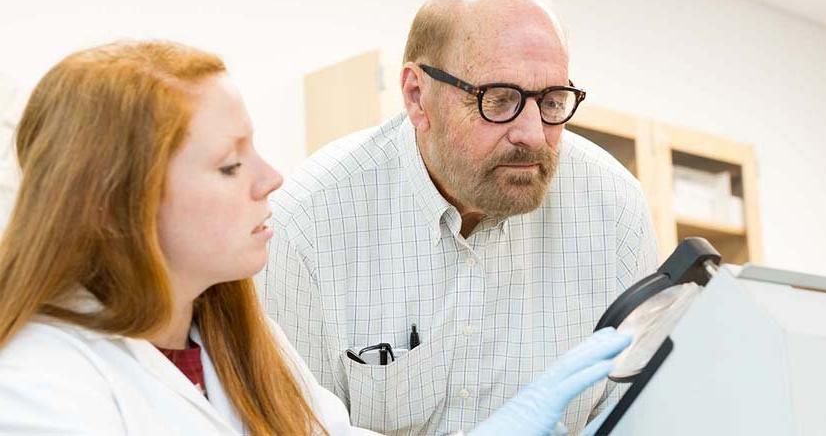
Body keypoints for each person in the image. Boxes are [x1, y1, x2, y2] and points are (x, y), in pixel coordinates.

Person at [0, 40, 630, 435]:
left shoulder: (234, 338)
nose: (270, 179)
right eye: (229, 164)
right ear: (117, 200)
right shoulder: (37, 385)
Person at [261, 0, 658, 436]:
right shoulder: (309, 221)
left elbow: (635, 410)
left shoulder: (614, 210)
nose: (532, 133)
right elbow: (288, 427)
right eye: (500, 99)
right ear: (416, 95)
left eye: (551, 102)